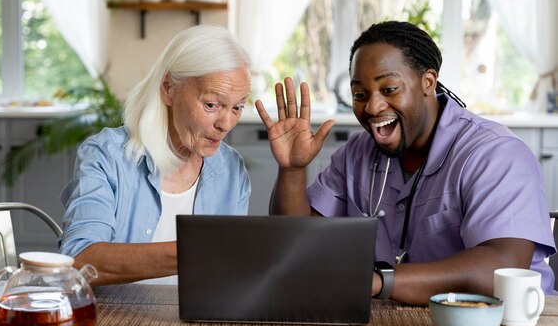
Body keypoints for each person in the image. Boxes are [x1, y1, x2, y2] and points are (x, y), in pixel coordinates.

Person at [256, 20, 557, 306]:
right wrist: (292, 170)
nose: (372, 107)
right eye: (360, 94)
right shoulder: (357, 152)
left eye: (389, 90)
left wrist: (378, 281)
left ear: (428, 82)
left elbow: (500, 267)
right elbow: (297, 242)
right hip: (393, 321)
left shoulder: (494, 154)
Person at [59, 25, 252, 286]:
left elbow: (228, 276)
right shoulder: (107, 156)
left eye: (237, 107)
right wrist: (201, 249)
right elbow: (80, 260)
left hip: (199, 322)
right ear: (168, 88)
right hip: (115, 322)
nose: (226, 123)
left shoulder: (230, 168)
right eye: (211, 105)